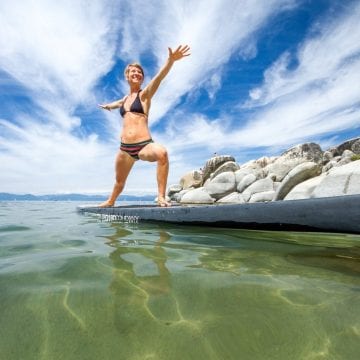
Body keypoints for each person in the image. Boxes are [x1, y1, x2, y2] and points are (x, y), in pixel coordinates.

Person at [98, 45, 190, 207]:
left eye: (139, 72)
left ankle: (161, 196)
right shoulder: (125, 99)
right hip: (124, 149)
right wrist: (108, 106)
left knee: (162, 153)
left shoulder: (145, 95)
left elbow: (159, 78)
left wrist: (170, 61)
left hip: (143, 146)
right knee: (119, 182)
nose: (136, 73)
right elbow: (116, 103)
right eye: (133, 71)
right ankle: (111, 201)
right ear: (127, 76)